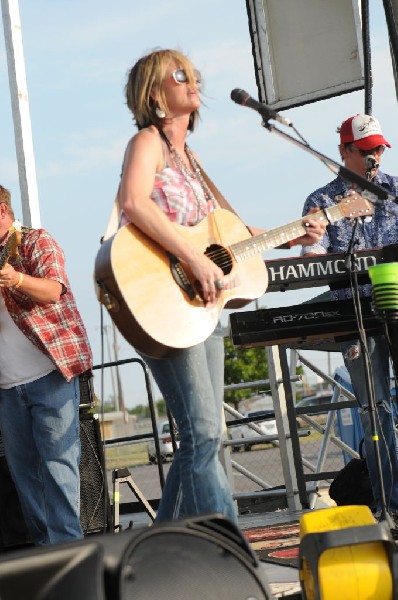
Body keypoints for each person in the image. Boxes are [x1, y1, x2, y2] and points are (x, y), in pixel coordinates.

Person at [116, 48, 326, 524]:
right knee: (203, 435)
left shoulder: (191, 161)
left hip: (203, 307)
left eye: (195, 74)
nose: (194, 81)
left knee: (207, 437)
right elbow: (132, 201)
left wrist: (299, 232)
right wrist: (192, 258)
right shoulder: (146, 142)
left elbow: (235, 238)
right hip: (162, 300)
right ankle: (228, 549)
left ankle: (152, 548)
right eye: (180, 74)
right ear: (155, 93)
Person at [301, 113, 398, 521]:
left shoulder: (394, 190)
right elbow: (310, 257)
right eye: (366, 150)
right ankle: (390, 503)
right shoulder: (321, 201)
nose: (374, 155)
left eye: (379, 148)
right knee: (373, 408)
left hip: (396, 308)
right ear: (344, 152)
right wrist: (311, 247)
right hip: (354, 314)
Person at [0, 185, 93, 545]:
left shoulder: (36, 241)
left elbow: (54, 289)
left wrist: (17, 278)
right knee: (25, 477)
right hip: (8, 387)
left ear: (4, 211)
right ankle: (45, 557)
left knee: (59, 468)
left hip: (49, 377)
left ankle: (70, 552)